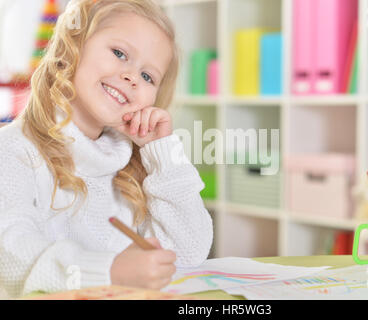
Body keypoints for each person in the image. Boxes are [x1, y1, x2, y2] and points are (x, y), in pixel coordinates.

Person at [0, 0, 213, 298]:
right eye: (119, 53)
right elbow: (9, 256)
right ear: (71, 46)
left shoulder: (128, 167)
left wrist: (161, 152)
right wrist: (109, 271)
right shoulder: (13, 151)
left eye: (148, 76)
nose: (131, 77)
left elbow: (189, 254)